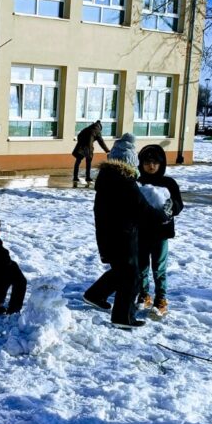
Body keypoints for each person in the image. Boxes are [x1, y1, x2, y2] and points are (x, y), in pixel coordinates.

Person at [83, 134, 167, 329]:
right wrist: (162, 216)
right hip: (123, 237)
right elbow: (142, 209)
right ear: (129, 162)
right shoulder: (125, 183)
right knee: (131, 276)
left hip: (107, 235)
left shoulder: (106, 179)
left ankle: (95, 295)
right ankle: (123, 317)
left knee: (121, 272)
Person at [137, 144, 184, 316]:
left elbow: (179, 204)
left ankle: (161, 298)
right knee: (141, 266)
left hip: (160, 233)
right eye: (147, 162)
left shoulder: (168, 183)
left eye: (155, 163)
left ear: (161, 164)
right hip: (141, 232)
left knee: (159, 267)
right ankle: (143, 294)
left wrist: (172, 207)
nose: (151, 166)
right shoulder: (137, 182)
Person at [72, 119, 110, 185]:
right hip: (88, 148)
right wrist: (107, 150)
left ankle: (75, 177)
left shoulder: (88, 128)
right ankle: (88, 177)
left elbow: (79, 135)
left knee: (78, 161)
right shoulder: (97, 131)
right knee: (88, 162)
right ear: (100, 127)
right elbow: (101, 142)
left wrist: (81, 143)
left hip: (81, 147)